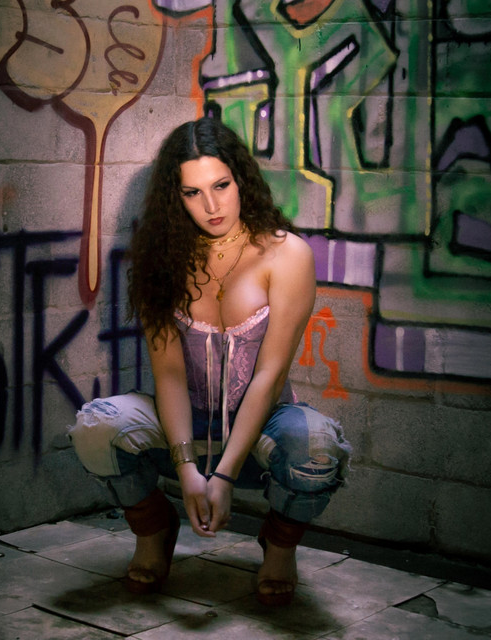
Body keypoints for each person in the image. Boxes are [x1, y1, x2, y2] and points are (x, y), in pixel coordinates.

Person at [69, 116, 351, 606]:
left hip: (263, 426)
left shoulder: (287, 255)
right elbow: (169, 374)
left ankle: (279, 546)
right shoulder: (163, 258)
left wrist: (224, 475)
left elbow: (269, 375)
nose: (212, 206)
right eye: (192, 192)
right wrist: (186, 472)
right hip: (186, 422)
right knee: (95, 428)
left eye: (221, 185)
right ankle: (154, 530)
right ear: (175, 197)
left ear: (241, 180)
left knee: (318, 447)